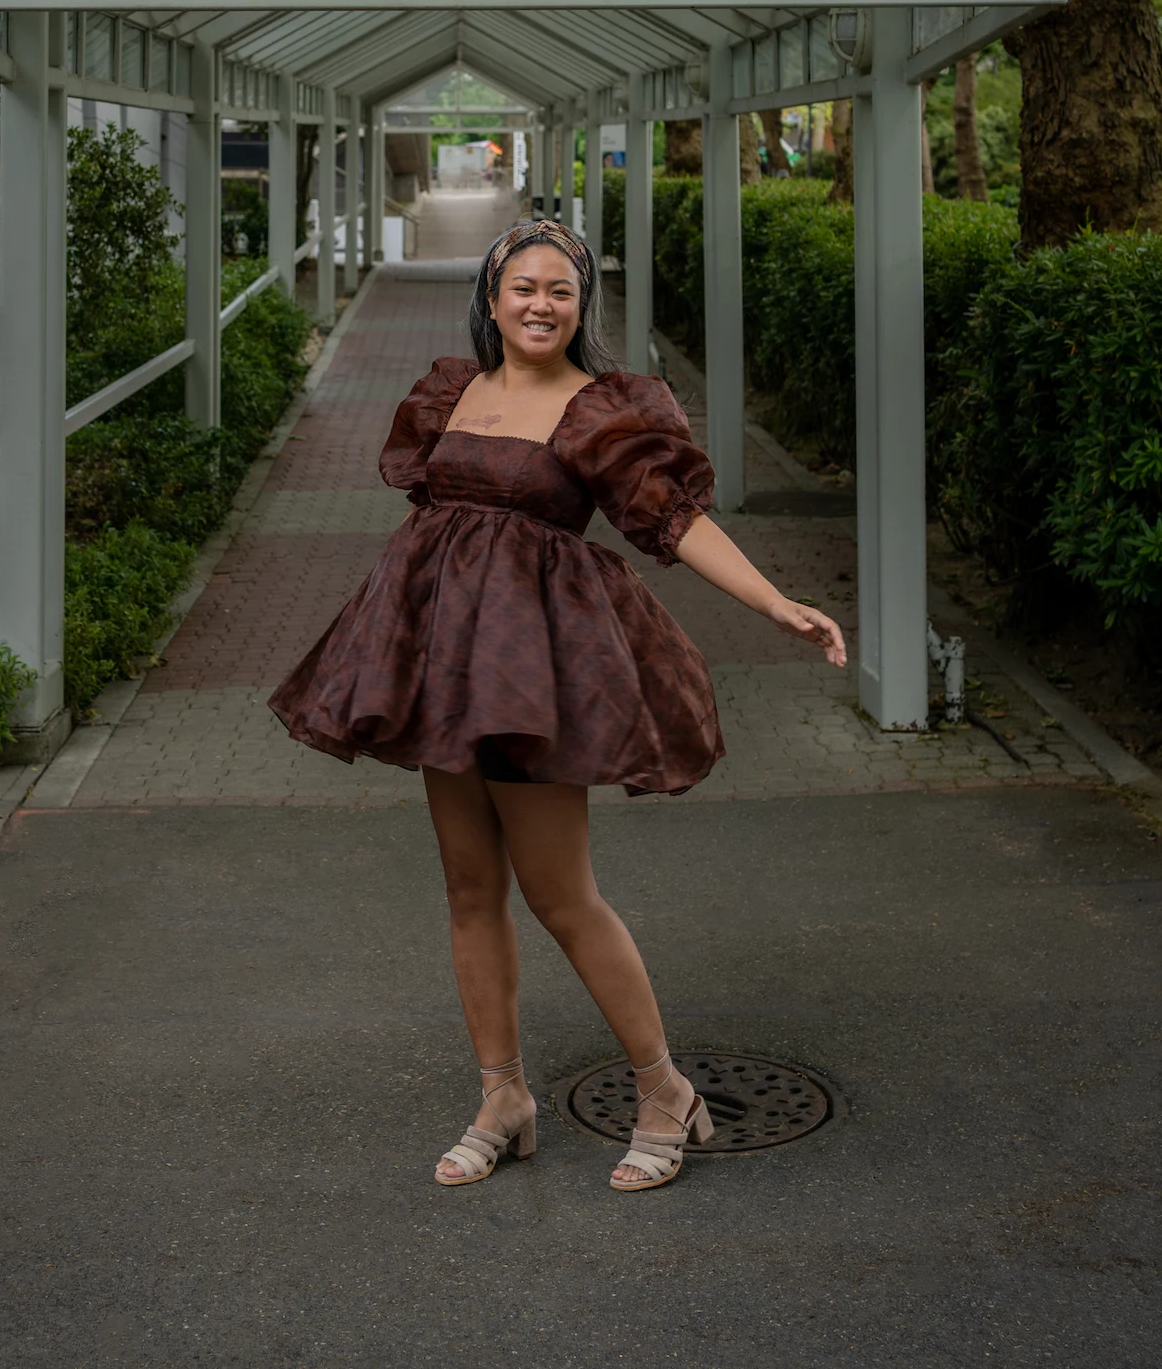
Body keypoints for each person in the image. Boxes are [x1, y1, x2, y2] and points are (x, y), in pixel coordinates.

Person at [269, 220, 845, 1193]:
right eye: (522, 286)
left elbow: (674, 519)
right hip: (443, 666)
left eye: (560, 291)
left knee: (559, 894)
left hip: (528, 674)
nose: (539, 304)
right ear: (491, 297)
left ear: (580, 307)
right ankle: (503, 1095)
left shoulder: (595, 408)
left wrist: (773, 602)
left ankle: (664, 1089)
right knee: (465, 888)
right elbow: (440, 524)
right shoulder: (451, 390)